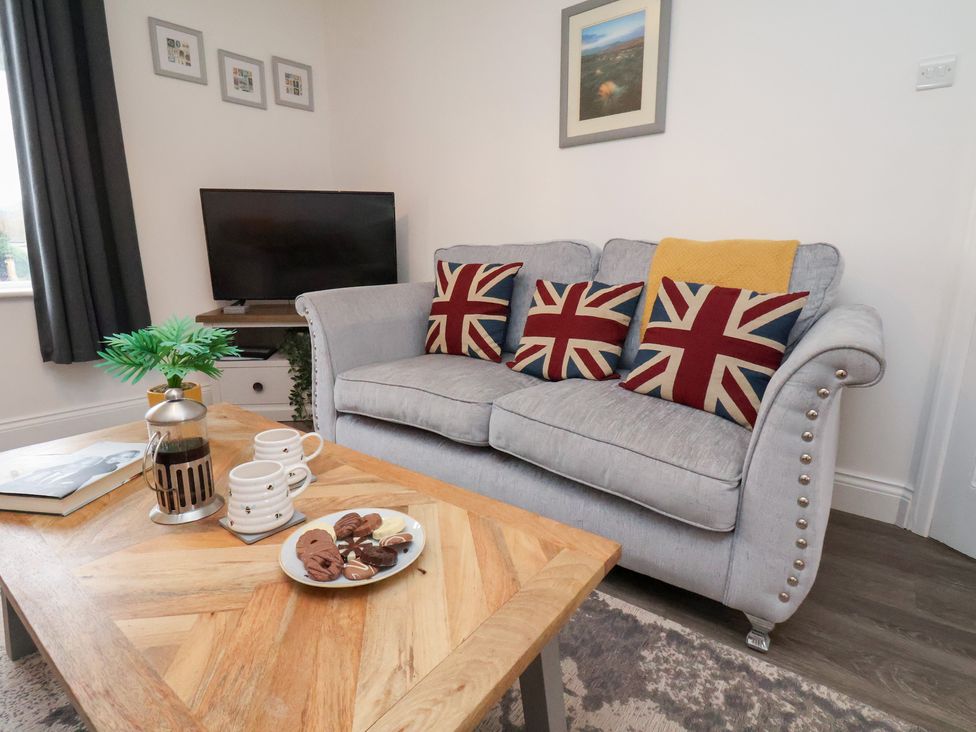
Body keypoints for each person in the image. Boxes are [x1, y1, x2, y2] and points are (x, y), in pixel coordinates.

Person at [0, 450, 141, 499]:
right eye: (122, 455)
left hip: (70, 481)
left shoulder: (109, 467)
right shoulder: (95, 459)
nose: (121, 459)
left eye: (125, 458)